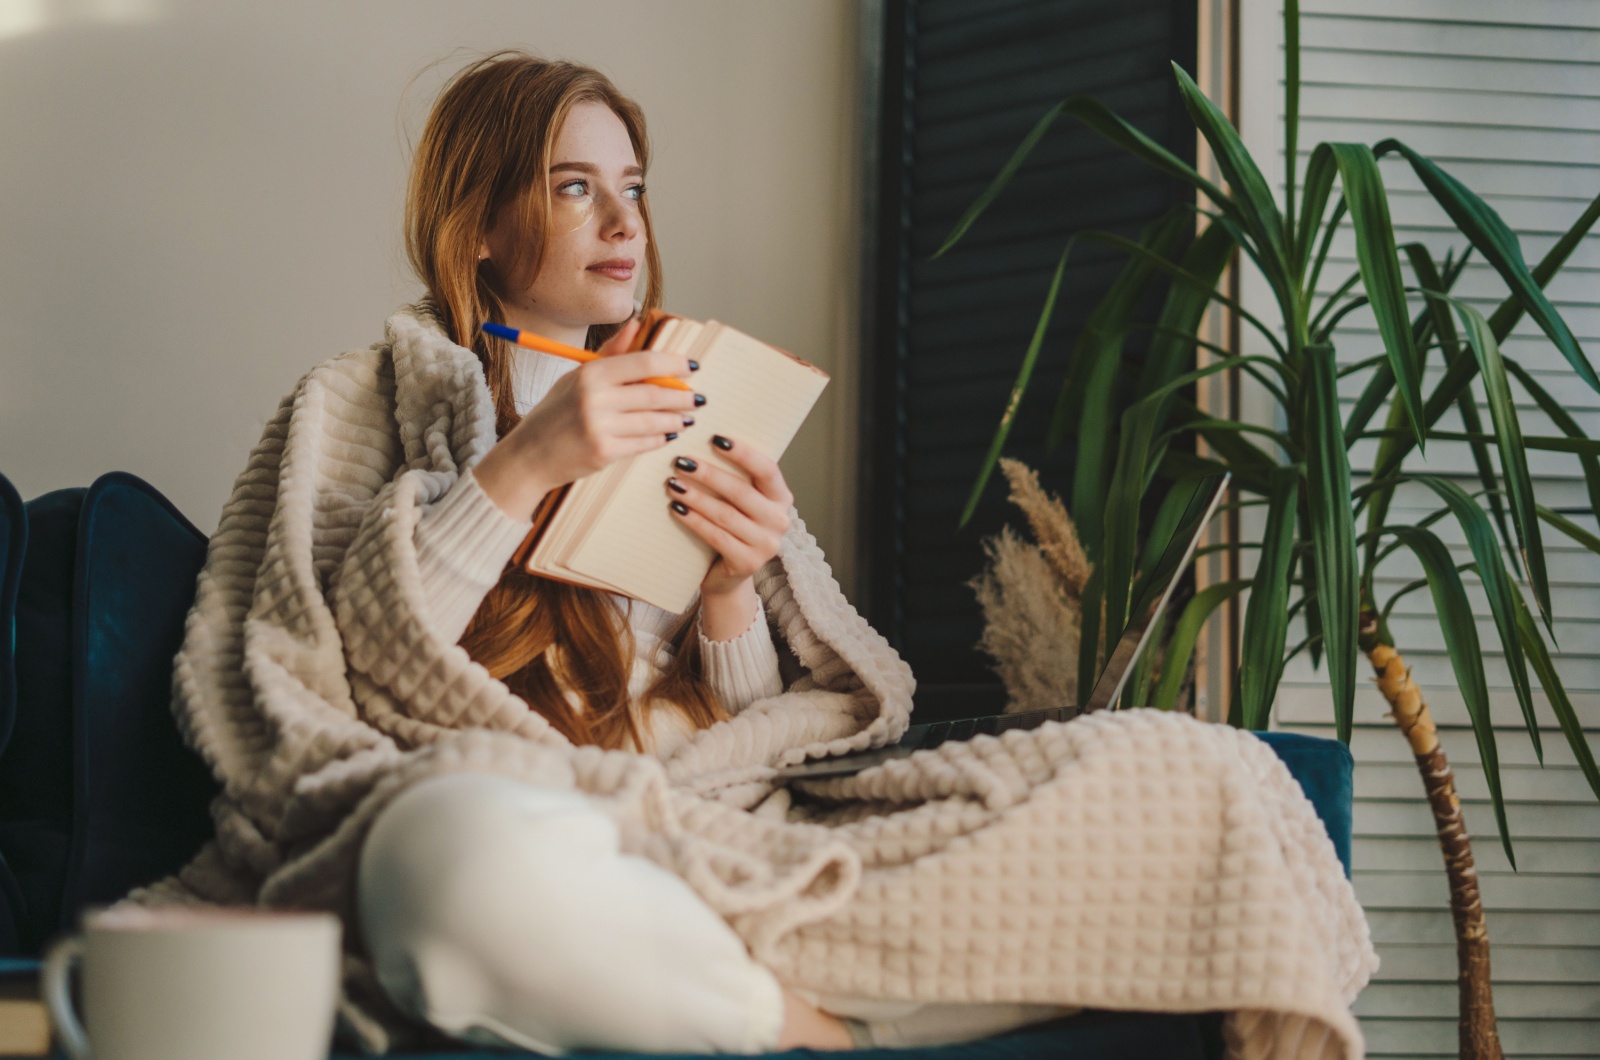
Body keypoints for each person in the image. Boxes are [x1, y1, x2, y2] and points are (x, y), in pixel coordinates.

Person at [347, 52, 1070, 1054]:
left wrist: (731, 589)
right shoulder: (375, 410)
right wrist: (522, 467)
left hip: (720, 827)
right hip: (557, 838)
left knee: (1142, 780)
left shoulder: (680, 405)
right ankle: (806, 1026)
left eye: (632, 187)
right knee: (436, 855)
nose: (623, 222)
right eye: (574, 187)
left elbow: (740, 737)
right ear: (473, 227)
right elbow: (358, 664)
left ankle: (730, 984)